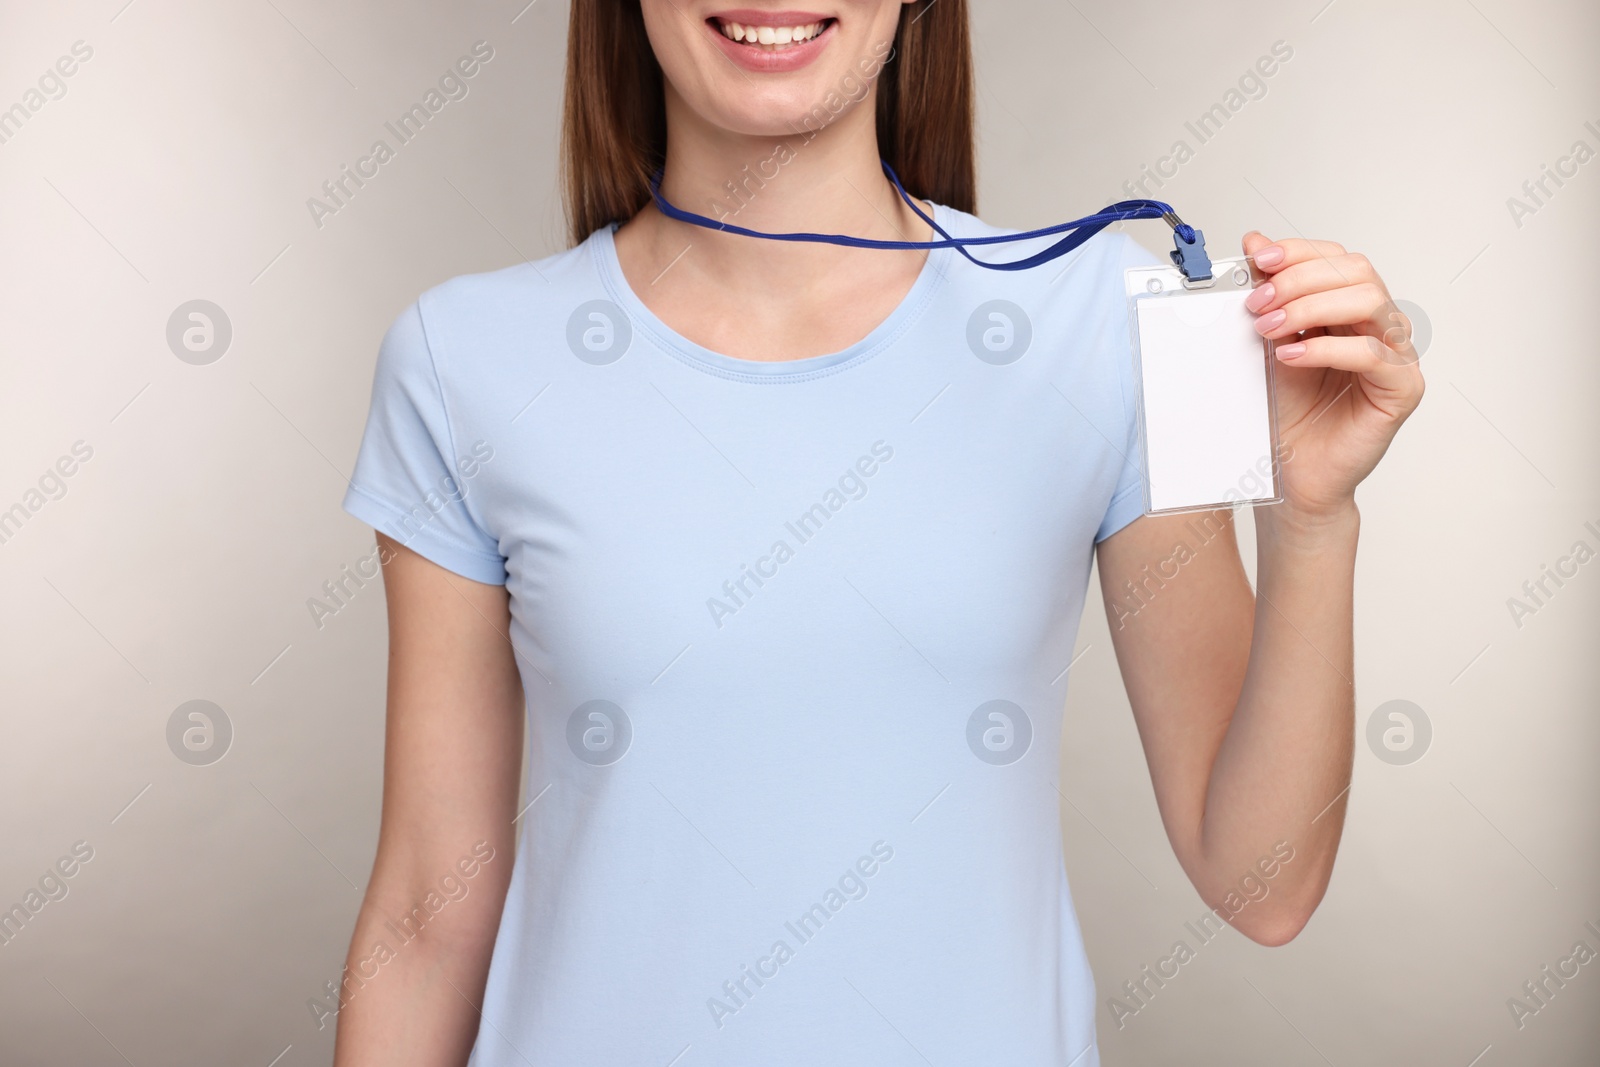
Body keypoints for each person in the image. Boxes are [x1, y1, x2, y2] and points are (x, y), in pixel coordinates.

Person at [331, 2, 1424, 1064]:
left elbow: (1262, 883)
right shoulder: (463, 361)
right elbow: (430, 908)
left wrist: (1312, 521)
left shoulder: (1106, 326)